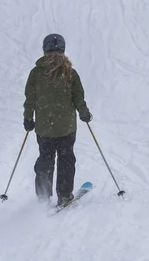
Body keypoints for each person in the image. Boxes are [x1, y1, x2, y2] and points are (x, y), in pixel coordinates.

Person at [23, 33, 92, 206]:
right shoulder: (70, 72)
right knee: (66, 160)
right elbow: (78, 98)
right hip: (66, 128)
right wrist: (84, 114)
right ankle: (64, 195)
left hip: (44, 128)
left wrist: (28, 119)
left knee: (45, 160)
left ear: (44, 49)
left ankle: (43, 196)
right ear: (63, 50)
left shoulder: (36, 73)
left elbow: (30, 98)